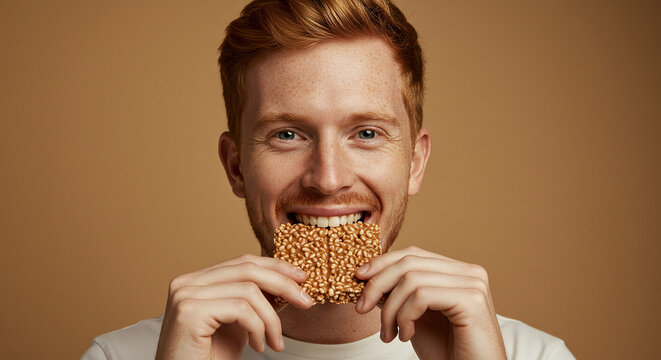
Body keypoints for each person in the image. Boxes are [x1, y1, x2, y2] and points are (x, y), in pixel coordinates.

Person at [82, 0, 575, 359]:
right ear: (235, 166)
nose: (328, 179)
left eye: (365, 132)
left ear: (415, 163)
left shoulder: (531, 355)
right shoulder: (124, 356)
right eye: (288, 135)